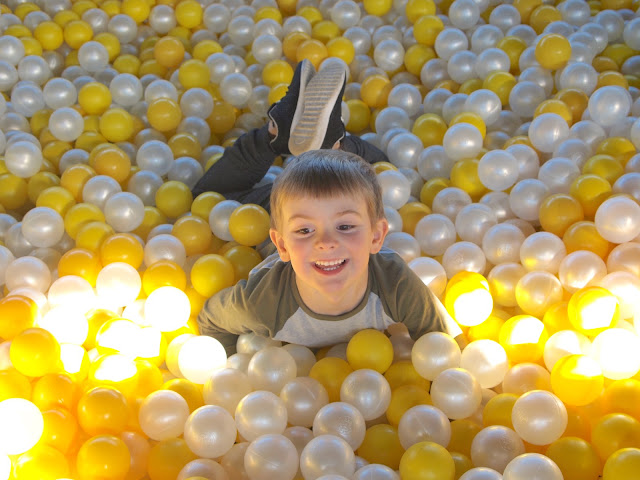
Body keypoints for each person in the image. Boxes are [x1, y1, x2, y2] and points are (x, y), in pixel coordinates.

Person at [197, 149, 465, 354]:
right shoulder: (264, 302)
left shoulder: (395, 284)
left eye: (345, 226)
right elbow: (211, 319)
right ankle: (276, 139)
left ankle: (334, 143)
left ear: (376, 236)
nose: (326, 242)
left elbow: (446, 346)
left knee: (378, 157)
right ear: (282, 246)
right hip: (257, 211)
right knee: (214, 192)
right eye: (305, 231)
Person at [191, 59, 389, 212]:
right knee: (383, 174)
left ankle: (280, 136)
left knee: (206, 203)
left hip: (301, 214)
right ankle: (332, 147)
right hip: (341, 210)